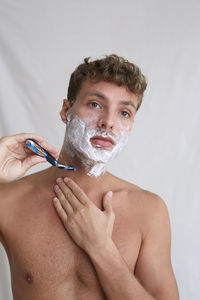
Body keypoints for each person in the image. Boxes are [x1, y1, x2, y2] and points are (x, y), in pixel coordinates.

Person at [0, 55, 179, 300]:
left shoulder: (149, 211)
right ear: (66, 110)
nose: (108, 123)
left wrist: (101, 247)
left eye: (124, 113)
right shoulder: (10, 199)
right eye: (95, 104)